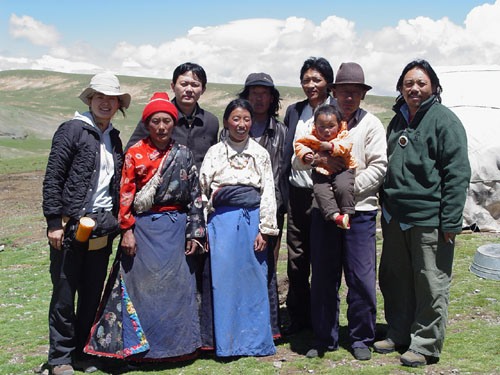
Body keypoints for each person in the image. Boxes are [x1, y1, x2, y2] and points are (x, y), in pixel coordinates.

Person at [85, 92, 206, 361]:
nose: (161, 127)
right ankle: (142, 351)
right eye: (155, 121)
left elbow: (195, 196)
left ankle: (178, 349)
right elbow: (125, 195)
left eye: (166, 121)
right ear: (147, 124)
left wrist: (195, 233)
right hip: (143, 231)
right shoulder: (135, 154)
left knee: (176, 288)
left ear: (173, 123)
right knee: (143, 287)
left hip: (176, 231)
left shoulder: (183, 154)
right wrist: (126, 230)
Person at [374, 59, 471, 367]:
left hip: (430, 217)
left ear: (433, 87)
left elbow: (457, 173)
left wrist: (451, 220)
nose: (414, 88)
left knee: (430, 281)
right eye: (408, 83)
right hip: (395, 216)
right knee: (395, 279)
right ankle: (399, 332)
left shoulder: (444, 121)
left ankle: (426, 343)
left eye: (421, 83)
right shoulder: (398, 120)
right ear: (401, 88)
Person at [295, 62, 387, 360]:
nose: (349, 97)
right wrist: (314, 160)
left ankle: (361, 337)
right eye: (344, 91)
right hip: (324, 213)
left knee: (360, 277)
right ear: (333, 91)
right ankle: (325, 337)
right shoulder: (319, 121)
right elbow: (297, 158)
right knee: (323, 275)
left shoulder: (370, 124)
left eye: (355, 92)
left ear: (362, 95)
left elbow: (379, 167)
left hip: (359, 211)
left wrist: (346, 190)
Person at [126, 62, 218, 349]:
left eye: (195, 84)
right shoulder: (154, 118)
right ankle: (152, 339)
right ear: (173, 85)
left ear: (202, 89)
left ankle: (195, 337)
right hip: (154, 213)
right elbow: (131, 167)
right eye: (184, 83)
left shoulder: (212, 122)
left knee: (193, 273)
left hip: (198, 206)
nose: (189, 88)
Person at [42, 72, 130, 375]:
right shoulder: (71, 130)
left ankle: (82, 353)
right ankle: (60, 358)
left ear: (118, 105)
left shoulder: (114, 137)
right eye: (100, 97)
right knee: (65, 295)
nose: (106, 103)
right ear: (90, 99)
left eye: (112, 99)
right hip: (69, 225)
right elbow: (54, 177)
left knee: (92, 293)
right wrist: (54, 221)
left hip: (102, 227)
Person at [199, 99, 279, 356]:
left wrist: (264, 230)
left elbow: (268, 192)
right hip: (220, 224)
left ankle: (254, 342)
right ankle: (225, 343)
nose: (241, 124)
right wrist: (203, 229)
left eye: (246, 119)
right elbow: (202, 192)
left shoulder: (260, 154)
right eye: (236, 119)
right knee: (223, 283)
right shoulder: (214, 153)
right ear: (226, 122)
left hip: (251, 224)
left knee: (252, 281)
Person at [220, 72, 287, 339]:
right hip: (233, 214)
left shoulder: (281, 131)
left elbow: (281, 175)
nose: (259, 98)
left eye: (264, 93)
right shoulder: (226, 133)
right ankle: (236, 319)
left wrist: (272, 215)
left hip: (271, 210)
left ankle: (264, 323)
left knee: (266, 267)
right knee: (235, 264)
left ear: (272, 98)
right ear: (246, 96)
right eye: (254, 93)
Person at [280, 57, 336, 335]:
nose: (311, 85)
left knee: (323, 258)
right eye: (306, 79)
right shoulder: (295, 111)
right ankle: (299, 318)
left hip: (324, 193)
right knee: (297, 259)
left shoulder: (337, 111)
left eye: (317, 79)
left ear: (328, 82)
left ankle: (324, 319)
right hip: (297, 193)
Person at [295, 104, 357, 229]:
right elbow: (300, 145)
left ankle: (347, 213)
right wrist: (306, 154)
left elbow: (346, 146)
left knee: (343, 187)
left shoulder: (343, 135)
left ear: (339, 125)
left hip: (343, 169)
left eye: (331, 126)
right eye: (321, 127)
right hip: (320, 171)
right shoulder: (312, 137)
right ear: (315, 126)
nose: (326, 130)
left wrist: (331, 147)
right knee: (320, 191)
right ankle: (334, 216)